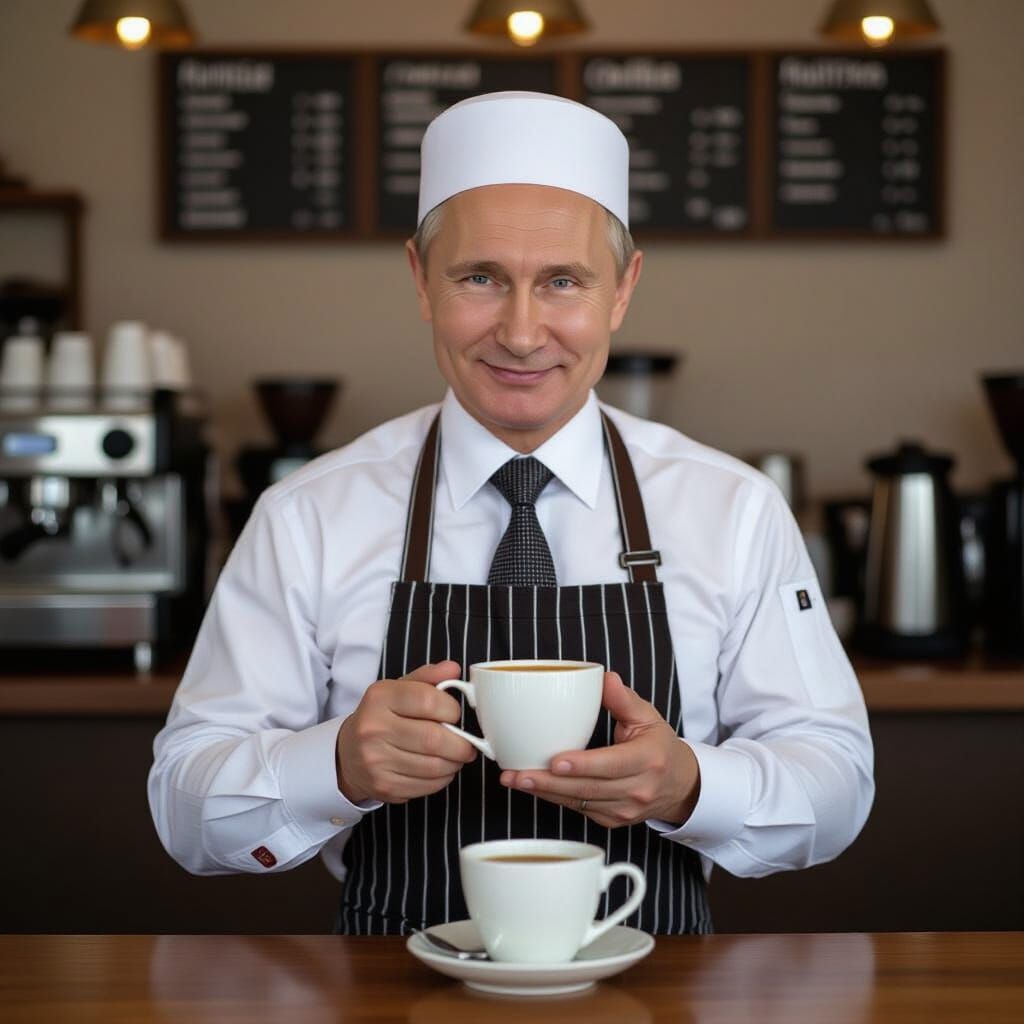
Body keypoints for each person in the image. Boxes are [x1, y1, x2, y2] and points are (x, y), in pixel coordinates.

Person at [149, 91, 874, 936]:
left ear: (623, 289)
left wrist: (691, 786)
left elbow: (837, 784)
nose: (523, 333)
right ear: (422, 282)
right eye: (481, 278)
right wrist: (337, 765)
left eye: (562, 281)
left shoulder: (731, 508)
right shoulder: (307, 515)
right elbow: (184, 810)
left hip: (659, 989)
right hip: (390, 991)